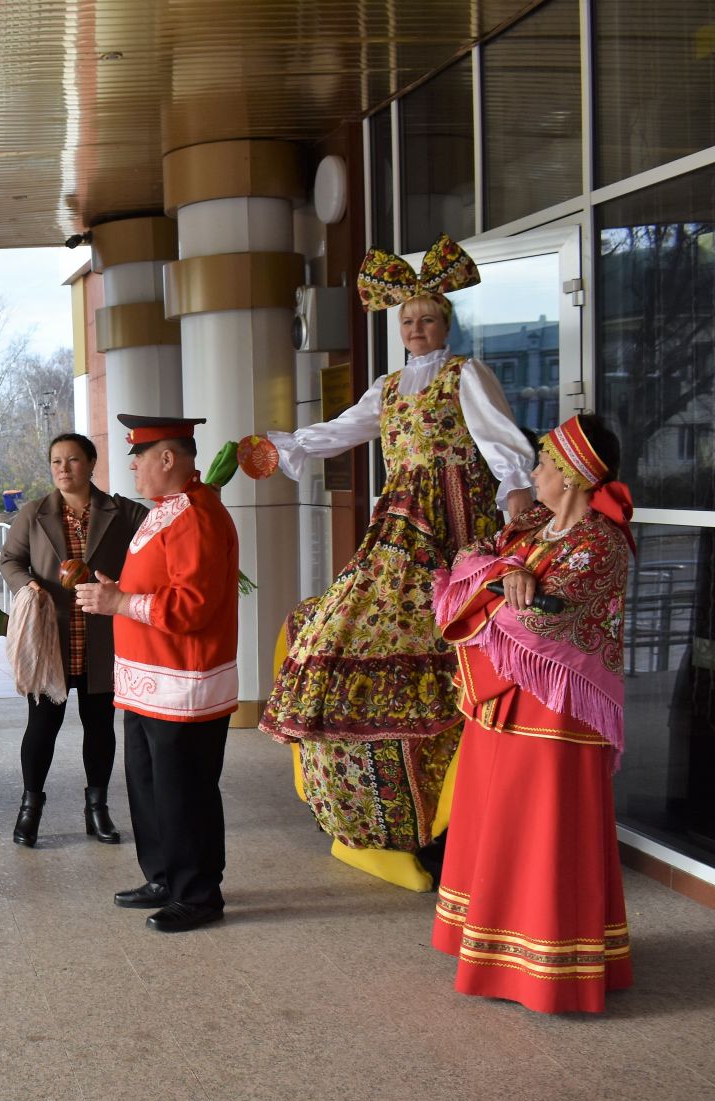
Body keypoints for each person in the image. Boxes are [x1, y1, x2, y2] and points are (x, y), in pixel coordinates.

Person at [253, 235, 536, 884]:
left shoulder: (467, 375)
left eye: (427, 318)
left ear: (446, 322)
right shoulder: (387, 388)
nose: (416, 327)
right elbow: (340, 431)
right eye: (407, 319)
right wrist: (282, 445)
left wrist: (516, 485)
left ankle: (456, 791)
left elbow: (499, 440)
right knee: (347, 618)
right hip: (399, 521)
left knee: (459, 631)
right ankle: (386, 809)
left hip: (454, 519)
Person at [429, 415, 636, 1013]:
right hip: (502, 708)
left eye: (544, 462)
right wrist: (506, 573)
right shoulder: (534, 523)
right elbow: (468, 557)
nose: (535, 471)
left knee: (543, 832)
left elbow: (539, 621)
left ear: (571, 475)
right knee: (495, 823)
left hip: (556, 720)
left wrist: (499, 584)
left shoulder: (601, 544)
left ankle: (547, 968)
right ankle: (492, 949)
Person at [76, 417, 239, 933]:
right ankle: (165, 875)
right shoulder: (167, 512)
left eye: (139, 457)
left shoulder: (196, 516)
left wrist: (120, 600)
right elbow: (159, 584)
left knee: (183, 789)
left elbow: (192, 606)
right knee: (149, 786)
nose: (132, 466)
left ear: (167, 459)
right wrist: (117, 590)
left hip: (182, 682)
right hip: (149, 679)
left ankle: (198, 893)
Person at [0, 431, 148, 847]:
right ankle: (30, 808)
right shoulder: (33, 513)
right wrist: (29, 585)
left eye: (73, 460)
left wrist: (122, 587)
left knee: (99, 726)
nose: (64, 469)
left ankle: (96, 810)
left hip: (104, 639)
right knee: (42, 726)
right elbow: (10, 560)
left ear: (91, 463)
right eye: (57, 462)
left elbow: (155, 551)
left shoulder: (124, 512)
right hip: (51, 639)